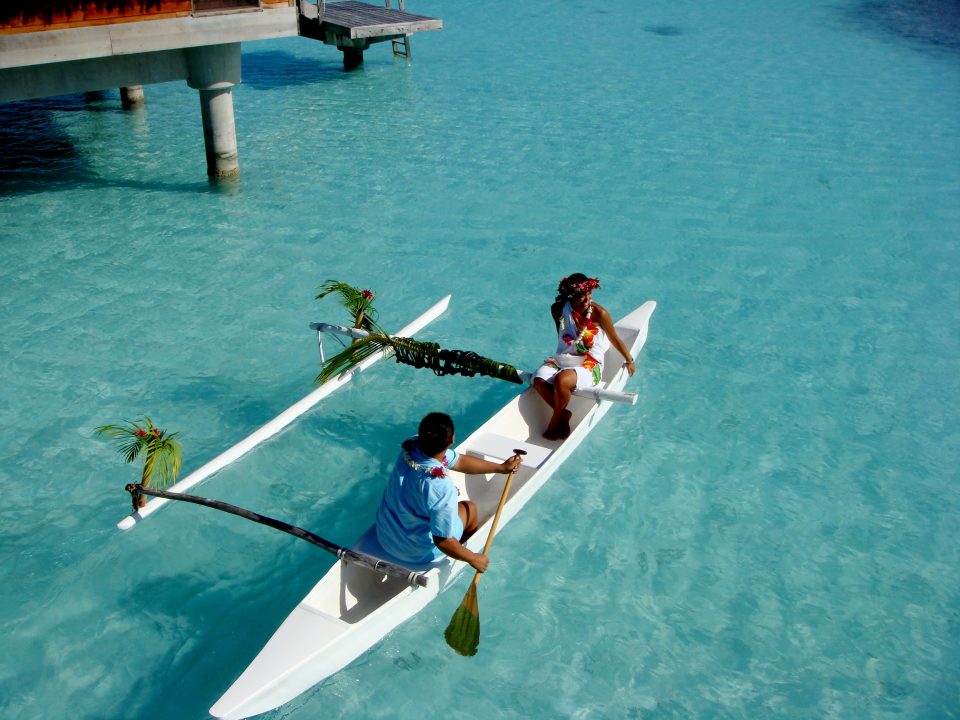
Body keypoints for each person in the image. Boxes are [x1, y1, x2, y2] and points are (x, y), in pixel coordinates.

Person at [375, 412, 521, 572]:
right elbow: (442, 540)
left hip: (384, 536)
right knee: (470, 509)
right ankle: (462, 553)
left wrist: (500, 468)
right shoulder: (441, 487)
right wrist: (473, 558)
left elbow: (460, 461)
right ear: (452, 440)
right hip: (417, 553)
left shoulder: (412, 445)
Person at [533, 273, 635, 440]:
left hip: (590, 363)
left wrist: (629, 359)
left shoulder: (599, 313)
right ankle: (564, 413)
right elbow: (563, 332)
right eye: (582, 295)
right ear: (570, 296)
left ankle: (554, 422)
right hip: (563, 357)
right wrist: (575, 340)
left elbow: (614, 338)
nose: (587, 298)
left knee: (561, 380)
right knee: (538, 381)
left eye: (589, 293)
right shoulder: (558, 309)